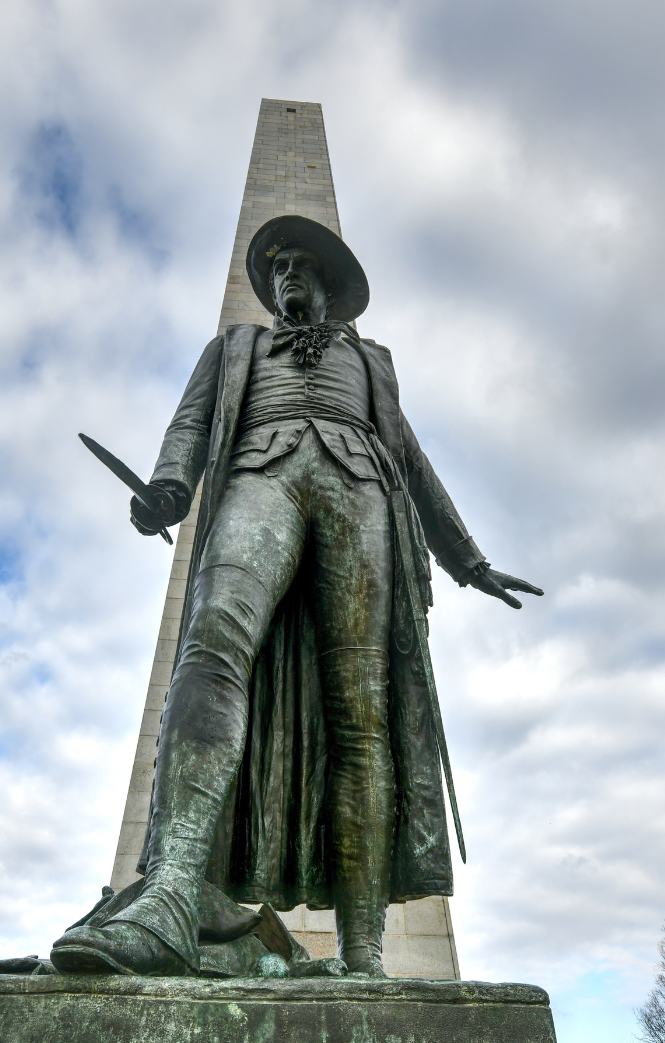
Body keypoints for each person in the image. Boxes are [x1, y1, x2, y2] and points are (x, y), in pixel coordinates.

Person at [53, 215, 539, 978]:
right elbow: (191, 422)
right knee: (211, 643)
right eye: (277, 269)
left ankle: (364, 949)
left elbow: (410, 458)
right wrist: (170, 491)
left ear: (332, 287)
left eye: (302, 268)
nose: (287, 279)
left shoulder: (372, 362)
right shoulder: (236, 347)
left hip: (359, 494)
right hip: (259, 476)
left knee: (361, 714)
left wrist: (469, 562)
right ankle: (174, 890)